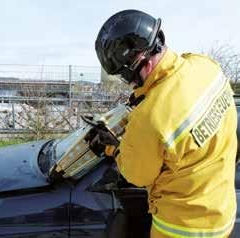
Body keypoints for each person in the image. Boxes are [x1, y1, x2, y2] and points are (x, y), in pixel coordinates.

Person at [94, 9, 238, 237]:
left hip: (181, 228)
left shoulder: (149, 116)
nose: (129, 84)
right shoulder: (205, 66)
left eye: (125, 76)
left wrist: (114, 147)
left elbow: (138, 176)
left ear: (142, 62)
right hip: (222, 214)